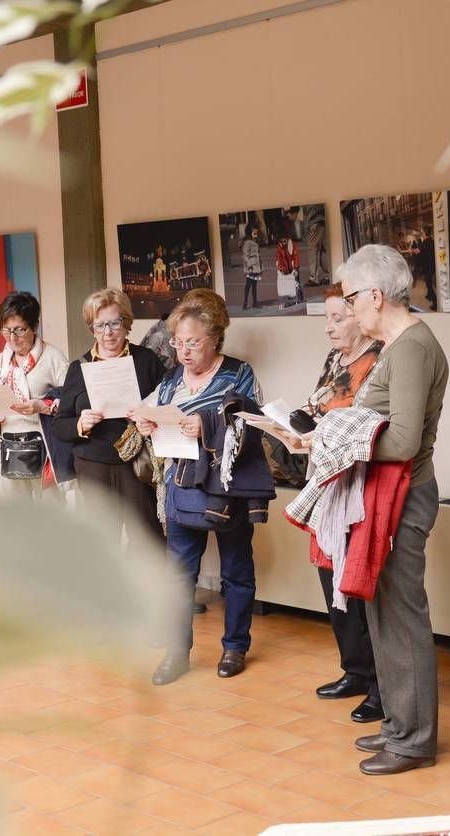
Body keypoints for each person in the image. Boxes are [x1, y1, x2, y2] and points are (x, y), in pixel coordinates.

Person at [336, 244, 449, 776]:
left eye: (351, 297)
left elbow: (401, 440)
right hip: (384, 493)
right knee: (383, 614)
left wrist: (332, 445)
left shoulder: (409, 348)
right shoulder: (400, 344)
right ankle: (399, 726)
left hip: (403, 494)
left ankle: (414, 740)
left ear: (375, 296)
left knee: (402, 618)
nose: (349, 308)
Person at [131, 289, 267, 686]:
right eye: (178, 341)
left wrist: (206, 426)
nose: (183, 350)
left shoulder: (239, 373)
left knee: (236, 570)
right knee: (178, 575)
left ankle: (235, 646)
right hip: (181, 485)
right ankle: (177, 654)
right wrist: (146, 422)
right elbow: (150, 409)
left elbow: (252, 426)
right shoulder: (172, 377)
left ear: (215, 337)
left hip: (227, 486)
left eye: (192, 342)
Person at [300, 284, 385, 722]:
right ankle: (354, 669)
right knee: (328, 574)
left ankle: (379, 685)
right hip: (327, 481)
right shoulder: (336, 360)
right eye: (327, 318)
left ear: (361, 314)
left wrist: (322, 427)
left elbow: (365, 421)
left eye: (339, 316)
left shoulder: (380, 360)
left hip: (361, 484)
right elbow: (318, 407)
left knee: (358, 579)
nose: (330, 326)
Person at [52, 288, 167, 548]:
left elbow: (169, 407)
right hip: (93, 464)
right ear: (91, 328)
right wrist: (81, 423)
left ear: (126, 323)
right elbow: (59, 426)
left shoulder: (146, 360)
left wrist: (150, 419)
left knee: (148, 540)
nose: (108, 332)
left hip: (138, 463)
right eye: (99, 325)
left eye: (114, 323)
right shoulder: (79, 367)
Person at [0, 292, 69, 497]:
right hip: (9, 451)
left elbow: (71, 403)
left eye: (19, 330)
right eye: (6, 331)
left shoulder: (53, 358)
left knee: (51, 520)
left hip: (45, 452)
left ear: (35, 326)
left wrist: (42, 405)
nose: (12, 338)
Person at [276, 233, 303, 307]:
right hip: (286, 269)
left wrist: (296, 268)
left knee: (296, 284)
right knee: (288, 284)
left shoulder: (291, 245)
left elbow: (296, 256)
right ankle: (291, 300)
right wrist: (281, 269)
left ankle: (299, 299)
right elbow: (279, 259)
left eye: (285, 240)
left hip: (293, 267)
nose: (284, 242)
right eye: (282, 241)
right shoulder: (279, 247)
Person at [242, 225, 263, 310]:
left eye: (257, 233)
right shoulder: (247, 243)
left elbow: (259, 256)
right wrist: (249, 265)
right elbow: (245, 255)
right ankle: (245, 303)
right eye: (254, 233)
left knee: (254, 285)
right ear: (250, 233)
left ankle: (255, 302)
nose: (256, 235)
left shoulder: (256, 242)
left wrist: (261, 267)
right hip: (251, 267)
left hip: (256, 267)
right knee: (248, 285)